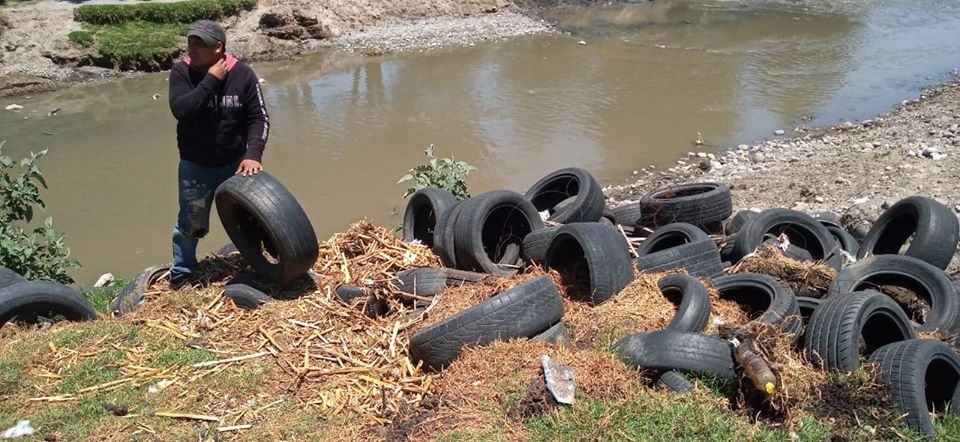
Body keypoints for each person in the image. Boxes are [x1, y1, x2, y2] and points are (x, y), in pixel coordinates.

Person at [168, 19, 269, 288]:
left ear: (218, 47)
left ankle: (258, 264)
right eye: (190, 41)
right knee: (191, 222)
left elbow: (259, 118)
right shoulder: (181, 73)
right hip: (196, 166)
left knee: (251, 217)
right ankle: (182, 274)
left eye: (200, 43)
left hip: (237, 165)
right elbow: (182, 110)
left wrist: (253, 154)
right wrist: (212, 80)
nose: (192, 48)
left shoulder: (243, 74)